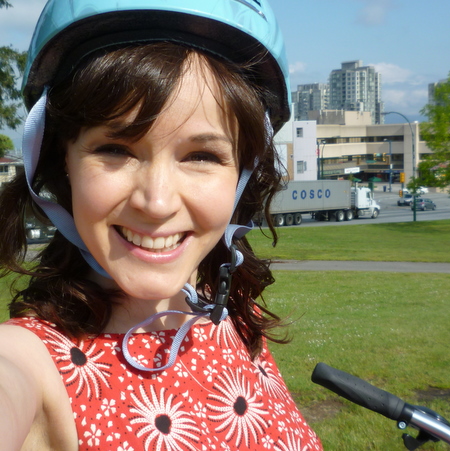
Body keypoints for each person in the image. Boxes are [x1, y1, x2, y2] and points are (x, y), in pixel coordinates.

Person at [0, 1, 323, 450]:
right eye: (115, 148)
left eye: (202, 156)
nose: (156, 202)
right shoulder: (29, 363)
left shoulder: (230, 321)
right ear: (61, 162)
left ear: (242, 176)